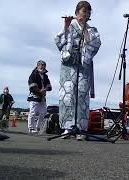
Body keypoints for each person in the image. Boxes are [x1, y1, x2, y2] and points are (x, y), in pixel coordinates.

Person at [55, 1, 101, 140]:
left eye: (87, 12)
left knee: (81, 95)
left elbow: (95, 44)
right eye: (83, 12)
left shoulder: (92, 29)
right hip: (69, 66)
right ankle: (67, 128)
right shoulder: (70, 25)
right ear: (76, 13)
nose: (85, 14)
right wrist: (66, 25)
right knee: (68, 94)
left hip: (83, 67)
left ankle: (80, 128)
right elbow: (58, 41)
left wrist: (84, 28)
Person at [27, 60, 52, 133]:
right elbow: (32, 85)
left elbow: (49, 86)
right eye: (41, 65)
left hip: (42, 97)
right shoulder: (34, 74)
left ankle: (38, 127)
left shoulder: (45, 76)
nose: (42, 66)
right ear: (37, 66)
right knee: (32, 112)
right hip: (34, 96)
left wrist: (45, 89)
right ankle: (31, 128)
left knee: (43, 113)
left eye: (43, 65)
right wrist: (39, 90)